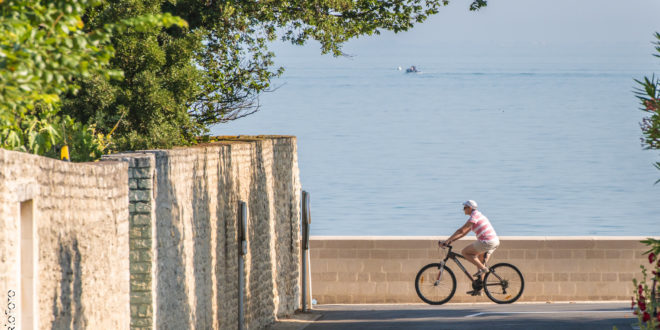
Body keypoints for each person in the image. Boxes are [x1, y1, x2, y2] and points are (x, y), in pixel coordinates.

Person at [439, 200, 500, 295]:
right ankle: (479, 288)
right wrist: (451, 241)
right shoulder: (477, 216)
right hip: (494, 241)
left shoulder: (474, 216)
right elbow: (463, 234)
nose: (463, 209)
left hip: (487, 241)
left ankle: (483, 269)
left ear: (470, 208)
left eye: (464, 207)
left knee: (465, 252)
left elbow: (461, 230)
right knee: (480, 261)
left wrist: (446, 241)